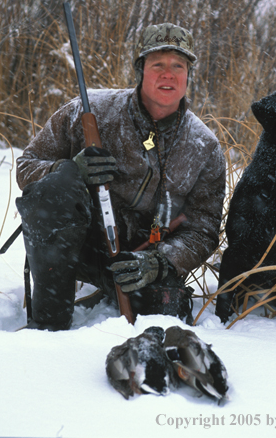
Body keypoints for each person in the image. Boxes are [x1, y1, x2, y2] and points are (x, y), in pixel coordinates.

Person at [16, 23, 225, 330]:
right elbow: (26, 165)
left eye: (178, 66)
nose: (168, 74)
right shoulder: (89, 110)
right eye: (158, 65)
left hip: (141, 261)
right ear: (140, 70)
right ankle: (48, 327)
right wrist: (67, 170)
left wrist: (161, 262)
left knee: (168, 319)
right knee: (55, 188)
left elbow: (203, 229)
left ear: (188, 75)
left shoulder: (204, 146)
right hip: (78, 246)